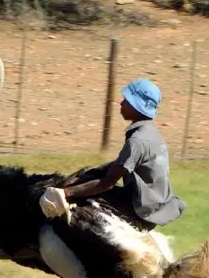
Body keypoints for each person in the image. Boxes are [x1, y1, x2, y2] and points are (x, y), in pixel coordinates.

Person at [39, 78, 187, 230]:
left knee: (80, 208)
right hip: (156, 205)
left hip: (141, 211)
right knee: (88, 180)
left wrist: (65, 193)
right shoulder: (151, 133)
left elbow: (107, 183)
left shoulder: (137, 141)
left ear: (138, 107)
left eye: (127, 100)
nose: (121, 103)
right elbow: (121, 164)